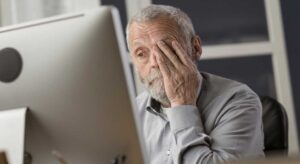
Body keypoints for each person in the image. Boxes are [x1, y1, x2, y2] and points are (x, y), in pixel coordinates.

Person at [126, 4, 264, 164]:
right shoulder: (133, 112)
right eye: (141, 53)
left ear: (195, 48)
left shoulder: (239, 101)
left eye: (167, 49)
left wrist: (181, 103)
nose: (155, 62)